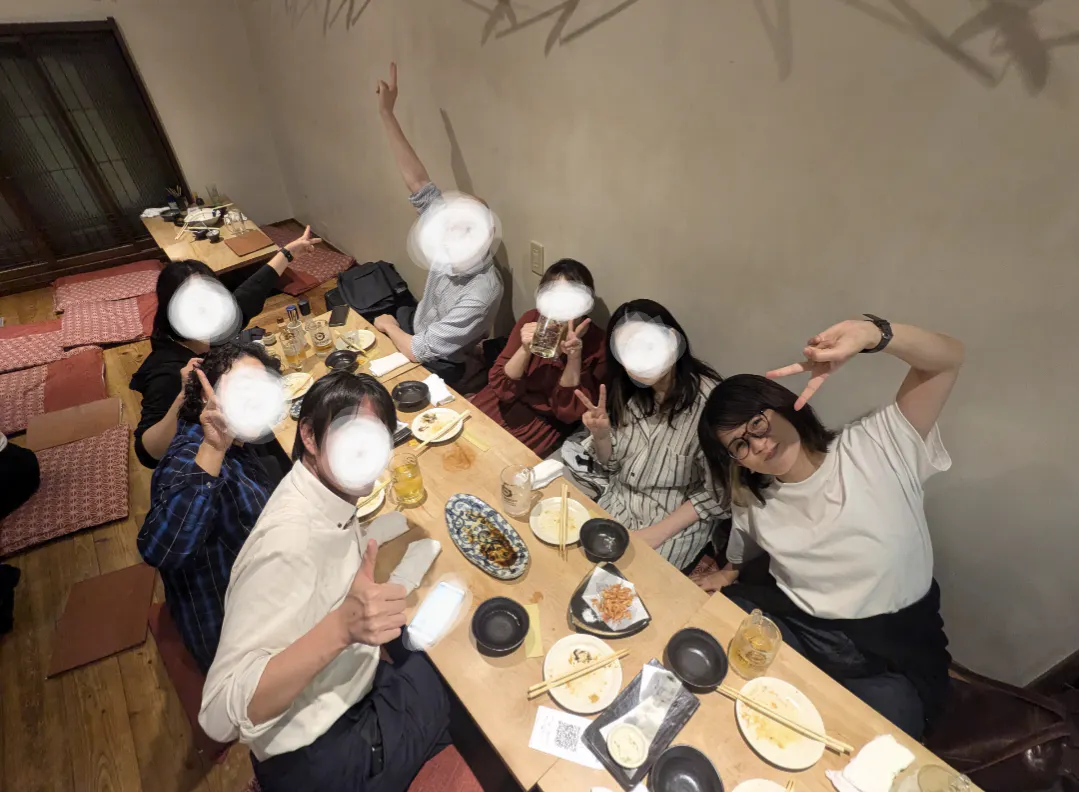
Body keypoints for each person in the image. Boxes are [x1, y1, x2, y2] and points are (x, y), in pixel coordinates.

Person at [696, 315, 964, 738]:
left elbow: (947, 360)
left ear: (780, 404)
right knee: (718, 666)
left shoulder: (876, 445)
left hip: (886, 652)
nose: (759, 444)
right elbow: (743, 549)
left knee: (877, 741)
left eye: (757, 424)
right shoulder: (754, 497)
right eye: (740, 445)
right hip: (799, 625)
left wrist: (874, 334)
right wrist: (727, 574)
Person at [200, 372, 451, 792]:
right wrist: (341, 628)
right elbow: (217, 716)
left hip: (331, 702)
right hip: (320, 758)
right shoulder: (289, 544)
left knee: (414, 644)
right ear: (310, 436)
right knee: (445, 683)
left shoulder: (317, 491)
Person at [137, 341, 281, 673]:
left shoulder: (229, 441)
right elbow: (161, 549)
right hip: (240, 642)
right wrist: (214, 449)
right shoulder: (196, 454)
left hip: (255, 588)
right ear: (206, 395)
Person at [130, 226, 321, 468]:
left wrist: (289, 253)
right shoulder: (166, 368)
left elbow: (251, 291)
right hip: (221, 456)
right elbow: (148, 453)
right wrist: (182, 396)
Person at [571, 299, 727, 572]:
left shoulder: (711, 404)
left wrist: (656, 534)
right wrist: (601, 436)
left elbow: (719, 493)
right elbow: (612, 465)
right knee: (572, 566)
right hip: (618, 501)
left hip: (672, 521)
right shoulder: (626, 392)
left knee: (630, 584)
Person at [372, 63, 503, 387]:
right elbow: (417, 181)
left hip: (442, 359)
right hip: (419, 326)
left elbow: (418, 351)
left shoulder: (482, 292)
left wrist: (389, 326)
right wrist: (387, 113)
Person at [471, 259, 606, 457]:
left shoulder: (598, 345)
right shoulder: (531, 319)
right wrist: (525, 349)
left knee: (495, 462)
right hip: (501, 402)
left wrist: (574, 359)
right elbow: (501, 387)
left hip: (540, 422)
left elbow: (568, 413)